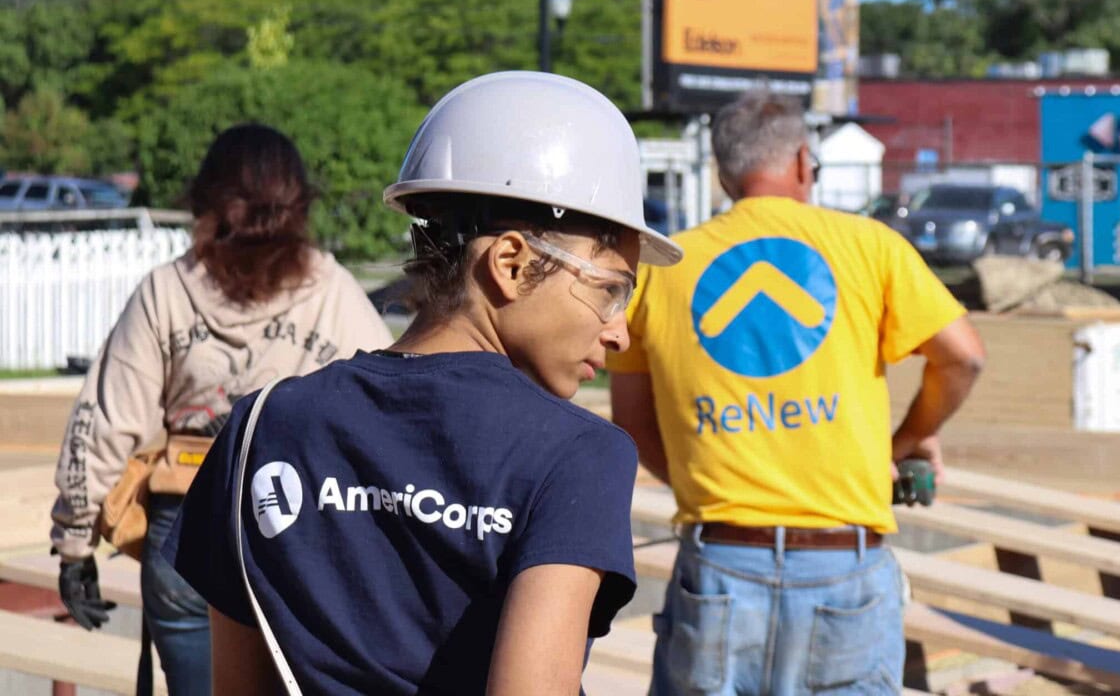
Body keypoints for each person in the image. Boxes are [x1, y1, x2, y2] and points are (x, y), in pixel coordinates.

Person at [162, 71, 684, 695]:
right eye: (610, 290)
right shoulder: (577, 454)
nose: (619, 332)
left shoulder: (262, 426)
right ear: (512, 264)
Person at [607, 91, 986, 695]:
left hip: (719, 564)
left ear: (723, 170)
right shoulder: (871, 247)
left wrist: (708, 483)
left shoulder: (663, 267)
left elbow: (630, 424)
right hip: (845, 567)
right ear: (806, 162)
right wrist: (906, 443)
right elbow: (963, 357)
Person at [50, 123, 394, 696]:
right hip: (298, 530)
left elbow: (105, 423)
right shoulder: (332, 291)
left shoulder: (167, 291)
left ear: (207, 197)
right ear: (298, 200)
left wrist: (75, 545)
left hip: (184, 530)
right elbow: (388, 412)